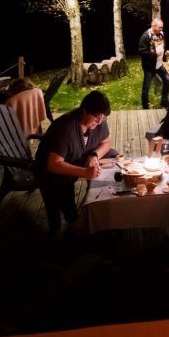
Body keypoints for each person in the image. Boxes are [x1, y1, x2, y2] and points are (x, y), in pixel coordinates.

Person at [34, 90, 112, 232]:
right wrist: (85, 172)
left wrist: (94, 155)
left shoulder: (100, 121)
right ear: (84, 110)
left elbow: (106, 143)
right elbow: (53, 164)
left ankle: (102, 202)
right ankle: (70, 219)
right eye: (96, 117)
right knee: (62, 186)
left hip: (76, 157)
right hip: (49, 171)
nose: (100, 121)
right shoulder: (66, 128)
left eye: (103, 117)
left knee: (112, 156)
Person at [138, 18, 169, 110]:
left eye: (162, 27)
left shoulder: (161, 34)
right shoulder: (146, 36)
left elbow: (163, 45)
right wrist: (154, 54)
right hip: (149, 67)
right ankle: (145, 106)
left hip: (160, 65)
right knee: (146, 87)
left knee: (167, 80)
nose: (161, 29)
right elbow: (141, 52)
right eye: (160, 27)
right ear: (153, 26)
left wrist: (166, 51)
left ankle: (164, 101)